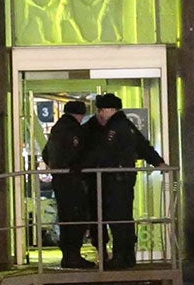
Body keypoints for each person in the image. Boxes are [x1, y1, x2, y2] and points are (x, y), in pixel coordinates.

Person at [78, 92, 163, 267]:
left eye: (102, 109)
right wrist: (159, 163)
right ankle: (126, 256)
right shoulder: (126, 125)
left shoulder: (115, 127)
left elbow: (103, 153)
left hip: (114, 180)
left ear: (111, 109)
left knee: (117, 219)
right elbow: (143, 146)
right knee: (123, 218)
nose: (100, 113)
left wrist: (80, 166)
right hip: (122, 179)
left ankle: (120, 257)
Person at [40, 99, 94, 269]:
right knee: (76, 218)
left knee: (65, 217)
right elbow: (78, 155)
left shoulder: (57, 129)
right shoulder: (74, 130)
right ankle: (73, 256)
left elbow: (45, 154)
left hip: (60, 180)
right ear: (80, 114)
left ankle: (69, 255)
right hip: (73, 181)